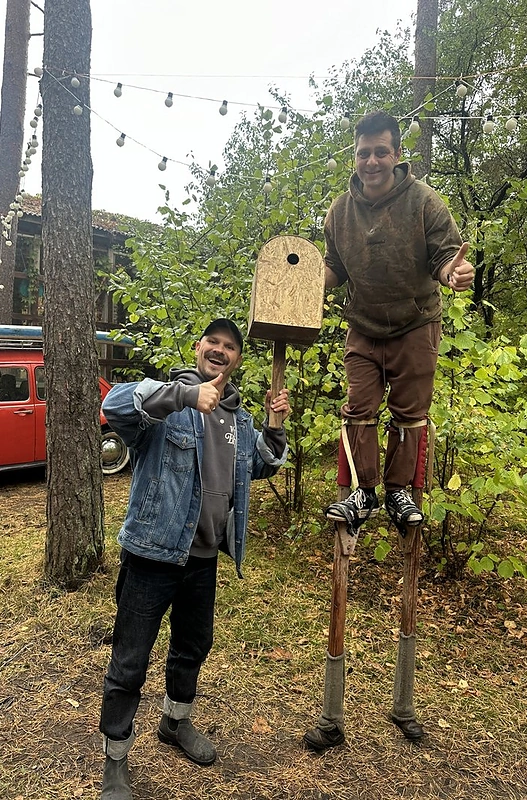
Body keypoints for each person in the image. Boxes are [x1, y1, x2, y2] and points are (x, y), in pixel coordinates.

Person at [98, 318, 290, 800]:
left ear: (237, 359)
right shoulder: (167, 402)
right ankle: (115, 759)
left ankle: (174, 721)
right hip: (152, 556)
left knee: (193, 646)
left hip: (203, 559)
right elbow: (113, 405)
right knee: (130, 660)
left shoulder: (238, 419)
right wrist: (186, 396)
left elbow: (261, 464)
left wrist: (275, 425)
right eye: (213, 342)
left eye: (230, 346)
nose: (221, 350)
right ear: (198, 347)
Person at [324, 110, 474, 533]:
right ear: (355, 156)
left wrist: (453, 273)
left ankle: (398, 491)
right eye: (363, 153)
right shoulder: (339, 212)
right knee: (358, 409)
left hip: (416, 322)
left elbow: (446, 258)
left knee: (409, 412)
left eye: (380, 152)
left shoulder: (424, 201)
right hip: (363, 324)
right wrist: (309, 280)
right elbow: (335, 267)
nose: (371, 161)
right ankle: (364, 492)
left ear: (396, 153)